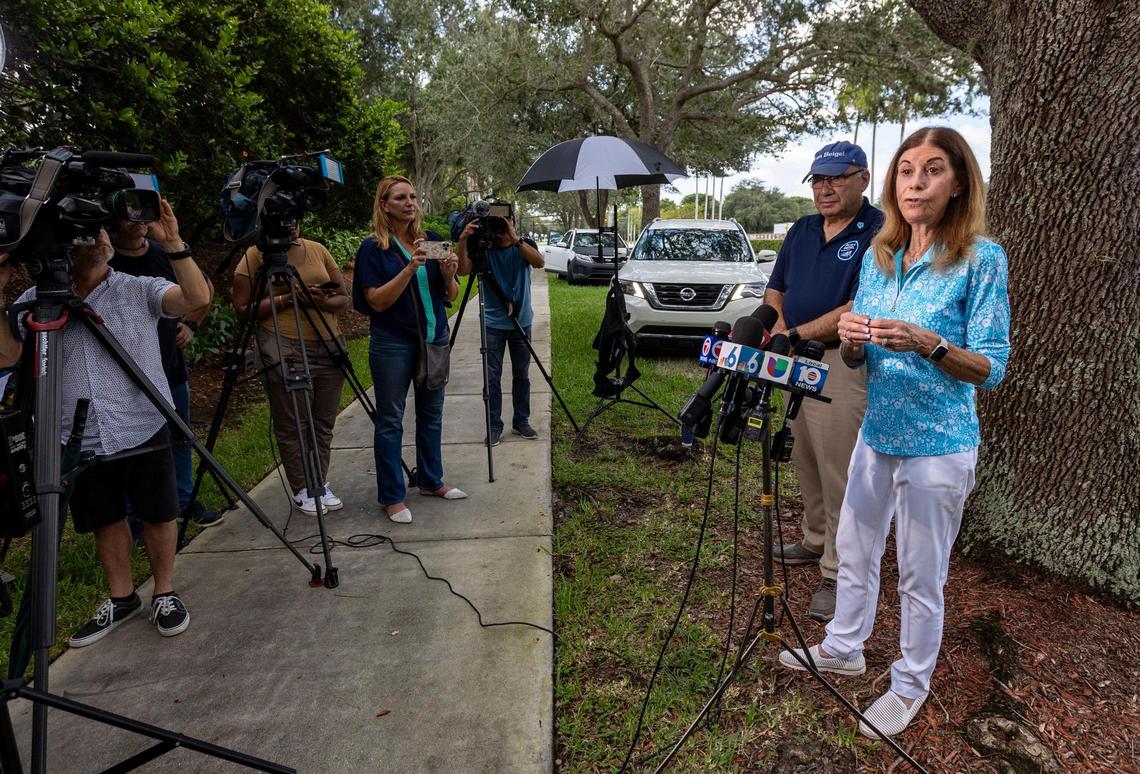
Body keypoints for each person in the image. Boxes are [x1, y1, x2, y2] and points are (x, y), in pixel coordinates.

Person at [777, 127, 1010, 739]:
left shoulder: (981, 260)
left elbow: (991, 367)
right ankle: (843, 647)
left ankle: (909, 684)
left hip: (938, 446)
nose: (915, 183)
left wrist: (927, 342)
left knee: (919, 573)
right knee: (854, 551)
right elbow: (861, 361)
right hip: (876, 436)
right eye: (906, 171)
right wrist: (851, 344)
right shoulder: (883, 259)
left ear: (958, 183)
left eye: (932, 170)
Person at [0, 201, 212, 646]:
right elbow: (7, 356)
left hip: (141, 421)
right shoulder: (34, 303)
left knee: (159, 512)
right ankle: (122, 597)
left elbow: (196, 298)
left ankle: (165, 590)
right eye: (84, 233)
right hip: (73, 433)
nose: (98, 237)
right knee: (105, 517)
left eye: (99, 231)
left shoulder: (137, 288)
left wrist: (172, 242)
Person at [764, 140, 883, 622]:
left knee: (840, 469)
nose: (825, 188)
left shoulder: (880, 232)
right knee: (805, 455)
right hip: (791, 356)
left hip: (841, 361)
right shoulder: (803, 228)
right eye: (818, 179)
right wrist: (774, 330)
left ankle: (838, 570)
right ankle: (815, 539)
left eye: (836, 177)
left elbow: (860, 307)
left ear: (863, 179)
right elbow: (777, 287)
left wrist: (792, 334)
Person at [352, 175, 465, 524]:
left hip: (433, 339)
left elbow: (452, 296)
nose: (410, 202)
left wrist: (448, 274)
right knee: (390, 420)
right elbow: (375, 301)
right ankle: (392, 496)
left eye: (413, 196)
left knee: (432, 415)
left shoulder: (430, 241)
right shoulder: (374, 248)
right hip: (393, 343)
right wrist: (409, 267)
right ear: (384, 205)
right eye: (401, 197)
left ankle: (431, 481)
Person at [110, 214, 223, 529]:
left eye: (143, 212)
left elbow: (204, 289)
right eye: (128, 214)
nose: (137, 220)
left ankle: (184, 503)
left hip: (170, 370)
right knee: (130, 449)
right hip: (124, 379)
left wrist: (192, 324)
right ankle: (135, 517)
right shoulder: (106, 262)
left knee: (180, 439)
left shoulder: (163, 255)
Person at [232, 226, 349, 515]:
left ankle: (320, 483)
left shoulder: (317, 248)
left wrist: (321, 300)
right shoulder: (255, 255)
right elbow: (242, 308)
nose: (290, 223)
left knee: (323, 422)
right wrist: (288, 298)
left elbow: (343, 298)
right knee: (295, 422)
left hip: (328, 344)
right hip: (284, 345)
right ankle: (302, 488)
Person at [455, 208, 543, 446]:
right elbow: (462, 270)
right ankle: (494, 424)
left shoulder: (524, 243)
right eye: (495, 223)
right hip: (493, 323)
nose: (500, 227)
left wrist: (515, 239)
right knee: (491, 377)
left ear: (513, 221)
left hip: (521, 321)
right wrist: (463, 240)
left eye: (504, 221)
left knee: (521, 375)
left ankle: (521, 420)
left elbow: (539, 262)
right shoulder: (483, 248)